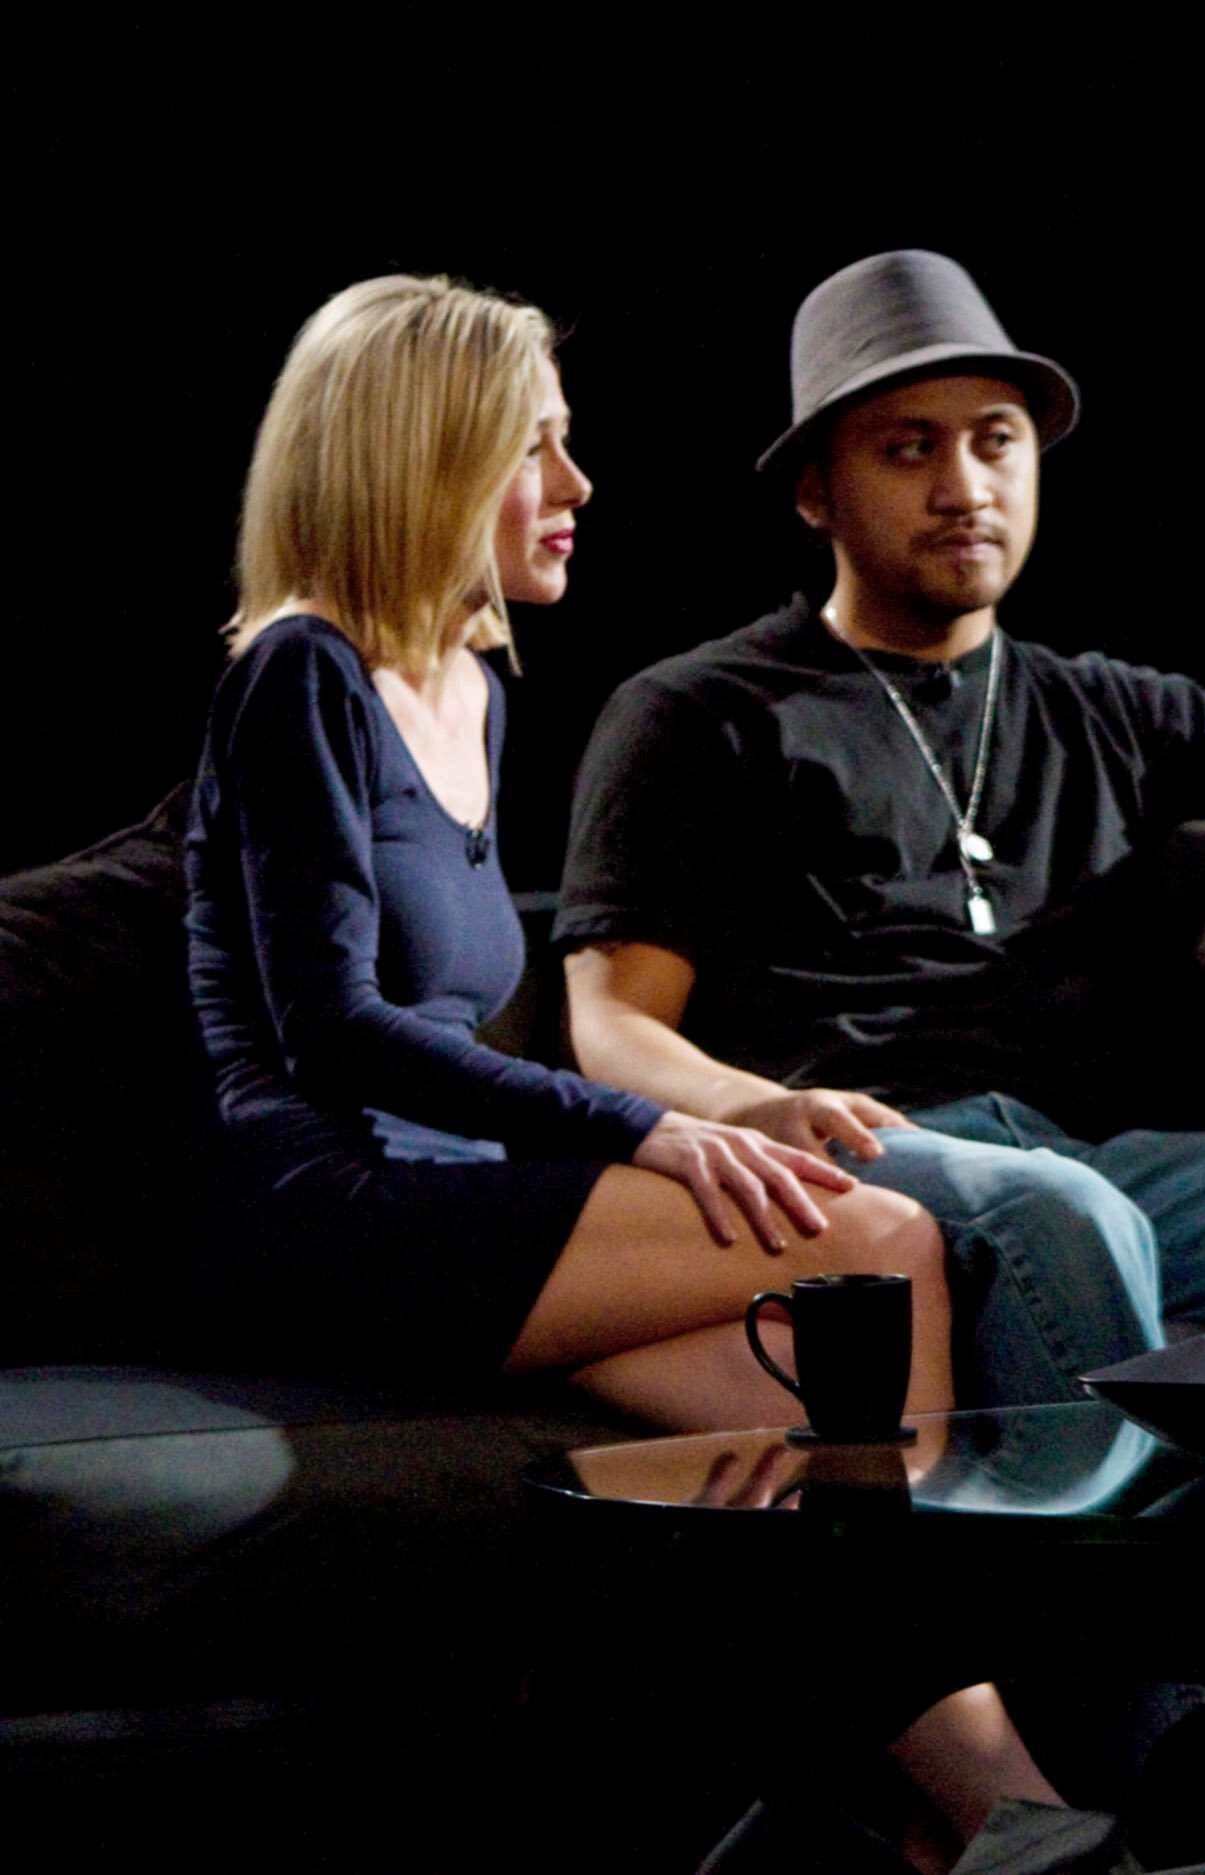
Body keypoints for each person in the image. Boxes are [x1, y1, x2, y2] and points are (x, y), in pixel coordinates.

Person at [184, 275, 1057, 1856]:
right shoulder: (297, 673)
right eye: (538, 450)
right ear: (423, 457)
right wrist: (648, 1128)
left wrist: (721, 1109)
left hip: (453, 1192)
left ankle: (922, 1814)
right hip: (320, 1202)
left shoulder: (476, 684)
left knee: (808, 1449)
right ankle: (991, 1812)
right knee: (879, 1248)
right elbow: (335, 1029)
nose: (579, 490)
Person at [555, 251, 1205, 1410]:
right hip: (852, 1154)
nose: (964, 488)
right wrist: (747, 1106)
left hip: (1081, 1159)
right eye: (907, 448)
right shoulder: (703, 712)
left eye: (995, 440)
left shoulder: (1106, 706)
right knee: (1068, 1216)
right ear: (816, 493)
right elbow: (612, 1025)